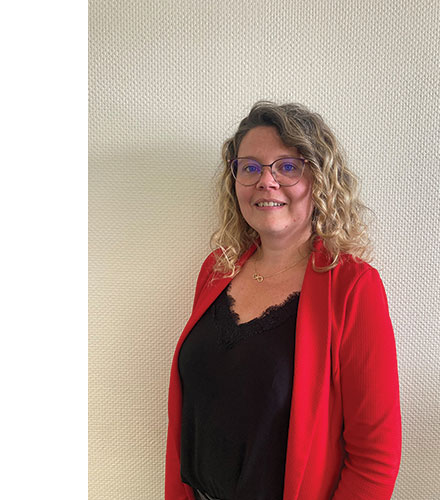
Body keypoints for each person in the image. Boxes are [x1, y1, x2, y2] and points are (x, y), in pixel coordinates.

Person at [165, 102, 402, 500]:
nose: (266, 181)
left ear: (320, 180)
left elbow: (374, 459)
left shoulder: (352, 288)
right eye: (249, 168)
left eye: (288, 167)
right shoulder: (216, 270)